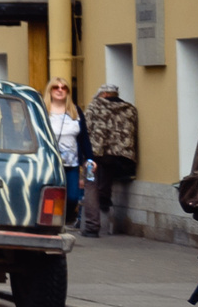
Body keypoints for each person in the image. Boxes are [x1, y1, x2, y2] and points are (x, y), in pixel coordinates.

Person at [84, 82, 139, 237]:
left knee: (90, 184)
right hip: (118, 157)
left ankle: (92, 226)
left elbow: (86, 128)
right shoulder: (129, 109)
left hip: (93, 155)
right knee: (106, 176)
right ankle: (104, 200)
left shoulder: (95, 106)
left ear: (105, 94)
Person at [45, 79, 90, 227]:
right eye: (55, 87)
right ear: (50, 91)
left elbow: (84, 137)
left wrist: (90, 158)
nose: (59, 90)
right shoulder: (44, 110)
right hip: (49, 162)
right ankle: (50, 224)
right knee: (51, 195)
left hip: (72, 162)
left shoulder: (75, 111)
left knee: (72, 197)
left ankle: (65, 220)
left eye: (63, 87)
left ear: (68, 92)